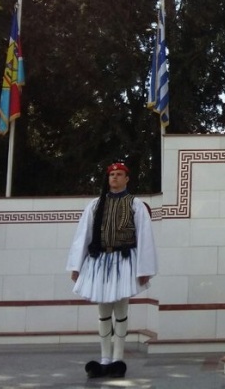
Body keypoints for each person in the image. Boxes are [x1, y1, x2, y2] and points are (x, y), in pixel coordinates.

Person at [66, 162, 158, 379]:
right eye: (112, 175)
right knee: (103, 312)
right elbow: (84, 236)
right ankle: (105, 358)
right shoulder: (96, 205)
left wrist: (143, 268)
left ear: (127, 178)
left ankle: (118, 358)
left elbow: (145, 237)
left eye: (119, 174)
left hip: (124, 261)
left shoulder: (135, 204)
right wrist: (76, 266)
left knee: (121, 311)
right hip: (100, 261)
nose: (114, 178)